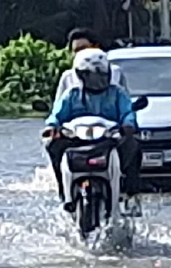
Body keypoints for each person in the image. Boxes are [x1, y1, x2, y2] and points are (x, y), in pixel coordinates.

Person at [43, 48, 141, 211]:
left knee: (134, 146)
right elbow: (57, 114)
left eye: (102, 75)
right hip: (76, 140)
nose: (99, 80)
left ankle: (130, 193)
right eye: (92, 75)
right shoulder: (71, 95)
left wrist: (128, 126)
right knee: (52, 146)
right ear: (81, 75)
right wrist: (52, 127)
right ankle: (64, 190)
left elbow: (127, 112)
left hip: (109, 139)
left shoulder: (117, 93)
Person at [56, 27, 127, 101]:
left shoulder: (116, 73)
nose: (81, 53)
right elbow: (58, 107)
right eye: (76, 50)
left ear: (96, 47)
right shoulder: (68, 77)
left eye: (84, 48)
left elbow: (125, 104)